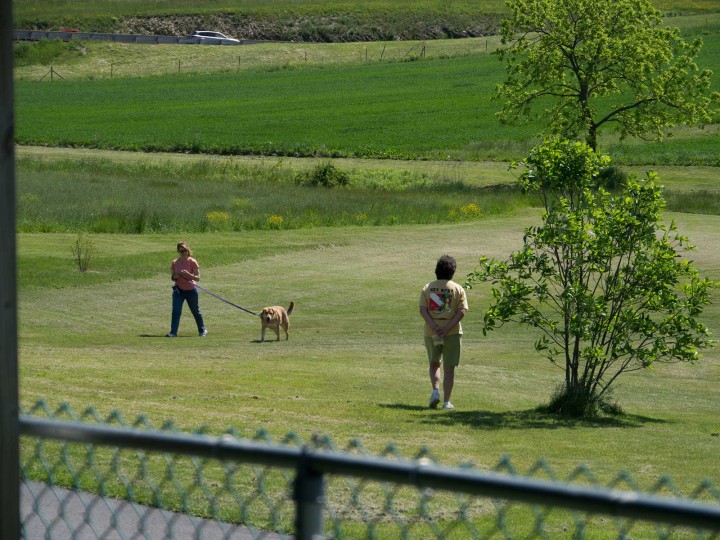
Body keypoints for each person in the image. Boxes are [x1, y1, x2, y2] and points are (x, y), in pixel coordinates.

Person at [419, 255, 468, 410]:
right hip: (452, 332)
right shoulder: (458, 288)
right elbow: (461, 312)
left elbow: (423, 310)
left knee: (434, 363)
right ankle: (446, 402)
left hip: (431, 332)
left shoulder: (427, 288)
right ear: (453, 272)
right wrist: (447, 328)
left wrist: (434, 326)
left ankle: (435, 391)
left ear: (436, 270)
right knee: (449, 367)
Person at [166, 242, 207, 337]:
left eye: (185, 250)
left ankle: (202, 330)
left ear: (188, 251)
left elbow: (197, 278)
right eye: (181, 251)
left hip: (191, 291)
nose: (183, 253)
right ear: (178, 251)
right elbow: (172, 277)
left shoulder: (192, 261)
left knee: (195, 311)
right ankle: (173, 332)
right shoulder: (174, 262)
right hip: (178, 291)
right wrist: (175, 276)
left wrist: (188, 275)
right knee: (176, 311)